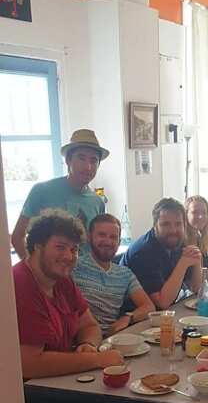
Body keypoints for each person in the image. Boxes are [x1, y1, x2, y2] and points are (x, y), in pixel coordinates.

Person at [13, 210, 123, 379]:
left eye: (74, 249)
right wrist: (96, 359)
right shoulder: (20, 283)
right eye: (60, 247)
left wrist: (87, 344)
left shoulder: (62, 280)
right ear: (37, 246)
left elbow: (90, 326)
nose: (69, 256)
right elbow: (28, 364)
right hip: (30, 388)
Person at [11, 129, 109, 259]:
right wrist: (32, 267)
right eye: (81, 158)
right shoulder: (42, 191)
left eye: (93, 160)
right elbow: (17, 236)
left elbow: (96, 245)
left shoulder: (97, 202)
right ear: (68, 160)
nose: (88, 167)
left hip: (84, 271)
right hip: (48, 270)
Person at [73, 214, 155, 336]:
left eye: (113, 237)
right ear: (89, 237)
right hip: (82, 340)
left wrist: (128, 317)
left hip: (112, 338)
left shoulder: (125, 274)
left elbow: (149, 306)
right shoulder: (73, 267)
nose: (108, 241)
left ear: (119, 242)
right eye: (102, 235)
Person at [121, 198, 202, 309]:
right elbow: (162, 302)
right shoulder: (143, 252)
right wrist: (183, 264)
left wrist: (197, 261)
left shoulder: (176, 242)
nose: (173, 230)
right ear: (155, 226)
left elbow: (196, 288)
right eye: (165, 224)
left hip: (166, 311)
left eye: (178, 224)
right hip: (135, 315)